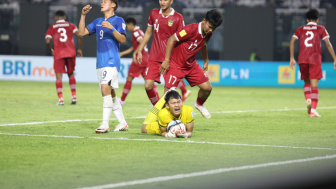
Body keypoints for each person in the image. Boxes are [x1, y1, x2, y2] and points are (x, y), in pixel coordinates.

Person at [160, 9, 223, 119]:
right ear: (204, 20)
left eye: (213, 28)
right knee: (168, 94)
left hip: (190, 65)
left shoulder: (208, 33)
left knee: (207, 88)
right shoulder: (190, 29)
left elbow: (203, 44)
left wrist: (206, 60)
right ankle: (163, 119)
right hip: (176, 64)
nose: (210, 30)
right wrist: (166, 60)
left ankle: (199, 104)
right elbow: (171, 39)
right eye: (209, 26)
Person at [78, 0, 129, 133]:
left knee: (104, 89)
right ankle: (122, 123)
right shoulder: (98, 21)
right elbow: (81, 32)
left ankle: (104, 124)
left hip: (111, 61)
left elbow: (123, 40)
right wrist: (83, 15)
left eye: (105, 1)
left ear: (113, 5)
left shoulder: (118, 20)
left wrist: (111, 28)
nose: (102, 3)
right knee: (110, 93)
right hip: (100, 62)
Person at [133, 0, 191, 106]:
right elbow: (148, 32)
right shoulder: (154, 13)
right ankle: (159, 108)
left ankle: (169, 115)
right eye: (160, 0)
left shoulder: (178, 17)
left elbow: (182, 38)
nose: (162, 2)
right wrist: (140, 49)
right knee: (148, 85)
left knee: (168, 91)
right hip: (154, 57)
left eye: (165, 0)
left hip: (170, 59)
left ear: (171, 1)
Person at [290, 8, 336, 117]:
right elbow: (328, 44)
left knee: (306, 82)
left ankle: (308, 99)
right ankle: (313, 110)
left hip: (302, 59)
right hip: (314, 59)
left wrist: (292, 58)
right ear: (317, 19)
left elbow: (292, 41)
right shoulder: (321, 29)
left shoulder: (300, 29)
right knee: (314, 85)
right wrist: (335, 58)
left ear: (307, 20)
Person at [45, 10, 83, 105]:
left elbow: (47, 41)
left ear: (55, 18)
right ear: (65, 18)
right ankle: (74, 96)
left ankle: (61, 99)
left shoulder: (52, 27)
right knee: (71, 73)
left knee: (59, 76)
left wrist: (51, 50)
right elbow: (80, 36)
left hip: (59, 53)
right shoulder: (71, 25)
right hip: (71, 52)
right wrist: (80, 49)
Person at [119, 17, 159, 105]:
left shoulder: (136, 33)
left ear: (131, 25)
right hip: (146, 59)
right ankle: (157, 101)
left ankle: (122, 100)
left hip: (139, 60)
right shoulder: (139, 31)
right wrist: (123, 53)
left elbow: (141, 42)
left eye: (127, 26)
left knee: (129, 78)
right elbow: (135, 46)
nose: (127, 28)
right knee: (148, 81)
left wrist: (135, 53)